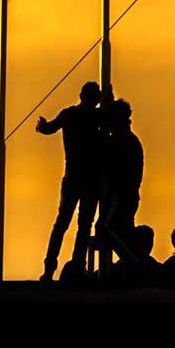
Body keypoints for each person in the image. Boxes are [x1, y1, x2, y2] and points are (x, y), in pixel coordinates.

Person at [35, 81, 106, 281]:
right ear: (96, 99)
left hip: (72, 177)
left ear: (81, 95)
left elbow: (48, 128)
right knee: (84, 226)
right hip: (91, 179)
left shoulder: (69, 114)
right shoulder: (98, 116)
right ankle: (77, 267)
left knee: (61, 224)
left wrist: (40, 126)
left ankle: (49, 268)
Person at [96, 99, 144, 267]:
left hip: (120, 196)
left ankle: (132, 262)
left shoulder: (122, 141)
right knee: (124, 232)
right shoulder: (129, 140)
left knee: (106, 228)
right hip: (127, 196)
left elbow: (108, 164)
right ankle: (131, 264)